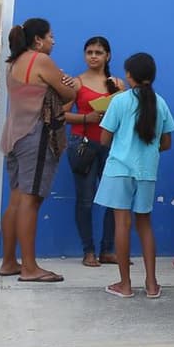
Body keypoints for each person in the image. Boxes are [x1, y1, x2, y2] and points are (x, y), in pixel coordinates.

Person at [0, 18, 79, 282]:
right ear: (38, 40)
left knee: (17, 200)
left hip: (14, 135)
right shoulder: (40, 60)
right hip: (37, 135)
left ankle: (10, 261)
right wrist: (71, 84)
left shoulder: (13, 64)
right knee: (31, 202)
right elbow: (69, 95)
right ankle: (30, 268)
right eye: (51, 36)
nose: (54, 41)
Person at [96, 52, 174, 298]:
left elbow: (104, 138)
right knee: (145, 225)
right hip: (146, 171)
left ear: (129, 75)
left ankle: (125, 284)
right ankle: (152, 284)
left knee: (122, 224)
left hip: (120, 168)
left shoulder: (119, 102)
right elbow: (166, 143)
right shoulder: (160, 102)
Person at [64, 36, 125, 267]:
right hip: (83, 144)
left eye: (98, 52)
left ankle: (107, 250)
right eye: (89, 52)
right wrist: (86, 117)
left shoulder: (118, 84)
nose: (93, 56)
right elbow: (61, 115)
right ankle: (88, 251)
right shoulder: (76, 83)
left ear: (107, 56)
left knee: (112, 199)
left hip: (111, 146)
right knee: (86, 200)